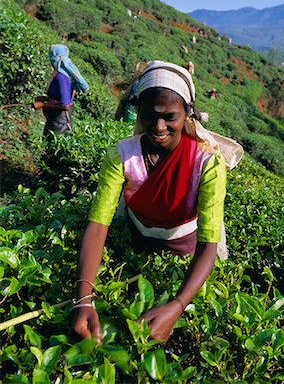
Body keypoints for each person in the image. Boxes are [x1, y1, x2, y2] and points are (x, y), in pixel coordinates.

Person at [73, 61, 229, 344]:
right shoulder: (121, 156)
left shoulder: (207, 163)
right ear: (139, 112)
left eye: (170, 116)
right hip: (137, 240)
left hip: (186, 255)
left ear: (188, 114)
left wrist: (178, 305)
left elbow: (209, 242)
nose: (159, 127)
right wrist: (84, 298)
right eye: (150, 115)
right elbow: (97, 225)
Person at [32, 44, 89, 138]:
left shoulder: (61, 78)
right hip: (54, 121)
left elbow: (65, 105)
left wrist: (43, 104)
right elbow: (58, 97)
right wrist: (44, 98)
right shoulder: (59, 75)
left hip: (60, 125)